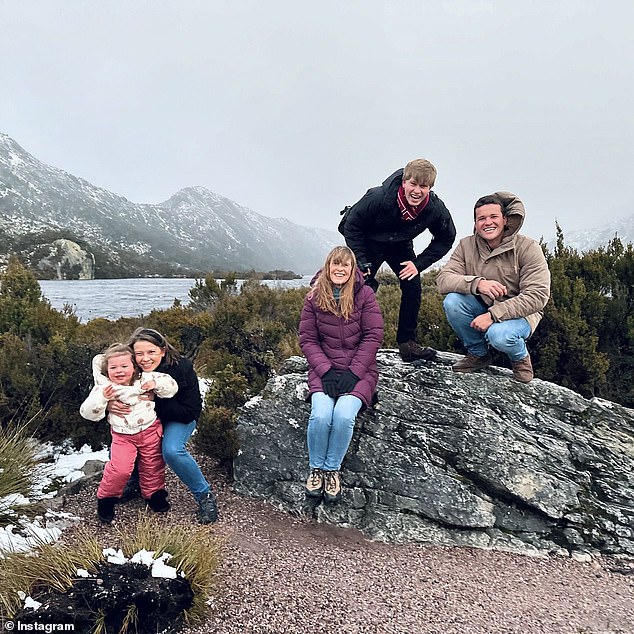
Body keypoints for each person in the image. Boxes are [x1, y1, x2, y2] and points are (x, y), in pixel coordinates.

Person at [339, 158, 456, 362]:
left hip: (400, 246)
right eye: (413, 184)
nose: (417, 191)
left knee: (413, 288)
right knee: (357, 289)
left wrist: (418, 264)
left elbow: (446, 239)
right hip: (369, 243)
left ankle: (407, 344)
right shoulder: (377, 197)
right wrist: (361, 259)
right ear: (404, 182)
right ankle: (345, 345)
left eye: (423, 186)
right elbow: (351, 225)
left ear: (430, 187)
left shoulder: (435, 209)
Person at [107, 327, 219, 524]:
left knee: (172, 450)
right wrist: (109, 404)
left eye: (151, 352)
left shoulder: (180, 369)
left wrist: (154, 402)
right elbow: (102, 375)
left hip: (178, 418)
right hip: (144, 421)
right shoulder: (129, 370)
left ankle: (204, 495)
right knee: (125, 438)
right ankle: (136, 482)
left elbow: (190, 411)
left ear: (163, 351)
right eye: (139, 354)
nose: (145, 359)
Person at [299, 246, 384, 503]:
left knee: (344, 415)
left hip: (359, 371)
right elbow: (308, 339)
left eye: (345, 265)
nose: (340, 269)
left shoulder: (365, 295)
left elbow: (373, 336)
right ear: (328, 267)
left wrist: (354, 372)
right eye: (335, 264)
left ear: (352, 269)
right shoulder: (313, 298)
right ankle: (316, 469)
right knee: (322, 415)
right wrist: (325, 371)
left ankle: (331, 470)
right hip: (323, 370)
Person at [436, 191, 551, 382]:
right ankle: (478, 354)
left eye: (493, 217)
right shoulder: (466, 245)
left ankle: (520, 359)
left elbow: (538, 296)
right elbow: (443, 279)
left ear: (505, 219)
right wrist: (477, 284)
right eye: (481, 218)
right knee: (453, 302)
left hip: (520, 314)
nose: (487, 222)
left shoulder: (528, 247)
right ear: (475, 223)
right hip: (483, 306)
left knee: (499, 335)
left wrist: (493, 315)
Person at [80, 343, 177, 523]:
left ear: (134, 367)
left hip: (150, 430)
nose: (119, 371)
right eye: (113, 367)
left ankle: (154, 495)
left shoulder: (145, 378)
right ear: (106, 370)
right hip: (123, 436)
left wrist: (155, 384)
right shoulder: (104, 388)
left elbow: (171, 387)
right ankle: (106, 500)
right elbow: (87, 412)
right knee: (120, 469)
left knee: (152, 465)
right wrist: (102, 399)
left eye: (124, 366)